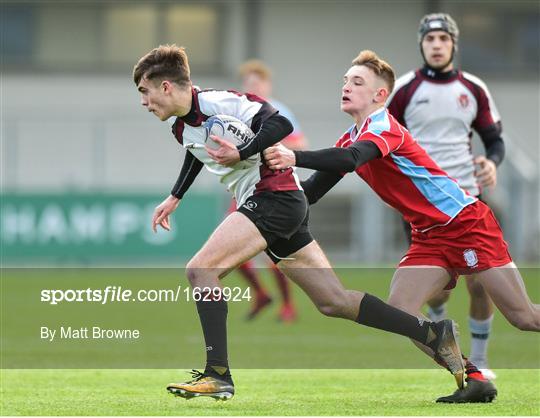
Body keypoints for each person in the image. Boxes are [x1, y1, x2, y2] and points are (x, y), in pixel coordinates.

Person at [133, 44, 466, 402]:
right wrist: (176, 196)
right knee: (334, 301)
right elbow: (195, 152)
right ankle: (433, 333)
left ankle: (217, 374)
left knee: (201, 270)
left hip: (274, 196)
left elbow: (280, 123)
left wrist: (242, 152)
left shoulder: (221, 102)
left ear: (166, 86)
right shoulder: (180, 128)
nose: (143, 102)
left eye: (144, 91)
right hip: (278, 203)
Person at [263, 49, 539, 403]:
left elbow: (350, 160)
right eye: (345, 80)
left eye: (357, 81)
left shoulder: (384, 125)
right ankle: (474, 377)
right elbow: (311, 191)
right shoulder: (351, 136)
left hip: (466, 223)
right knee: (401, 312)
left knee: (524, 316)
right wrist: (263, 196)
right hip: (429, 236)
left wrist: (294, 156)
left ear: (380, 95)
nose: (346, 86)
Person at [386, 13, 506, 380]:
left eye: (443, 38)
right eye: (430, 39)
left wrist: (492, 162)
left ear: (454, 43)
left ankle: (481, 359)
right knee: (435, 294)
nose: (436, 44)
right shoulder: (405, 89)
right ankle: (447, 341)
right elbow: (382, 140)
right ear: (421, 45)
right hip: (424, 208)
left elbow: (494, 139)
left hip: (469, 200)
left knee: (481, 283)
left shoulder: (473, 88)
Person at [229, 59, 309, 322]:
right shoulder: (238, 112)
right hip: (244, 187)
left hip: (272, 187)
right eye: (249, 82)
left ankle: (287, 305)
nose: (253, 86)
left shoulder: (278, 111)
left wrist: (270, 144)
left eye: (257, 82)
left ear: (267, 84)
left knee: (271, 253)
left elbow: (300, 143)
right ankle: (261, 293)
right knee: (229, 248)